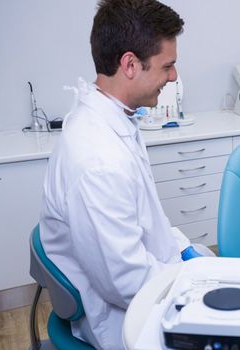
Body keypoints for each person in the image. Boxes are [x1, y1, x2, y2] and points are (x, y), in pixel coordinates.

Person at [40, 1, 201, 348]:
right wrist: (195, 286)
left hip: (146, 271)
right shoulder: (98, 159)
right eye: (167, 66)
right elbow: (126, 282)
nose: (174, 76)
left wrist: (185, 252)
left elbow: (145, 217)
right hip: (122, 315)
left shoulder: (115, 117)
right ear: (130, 64)